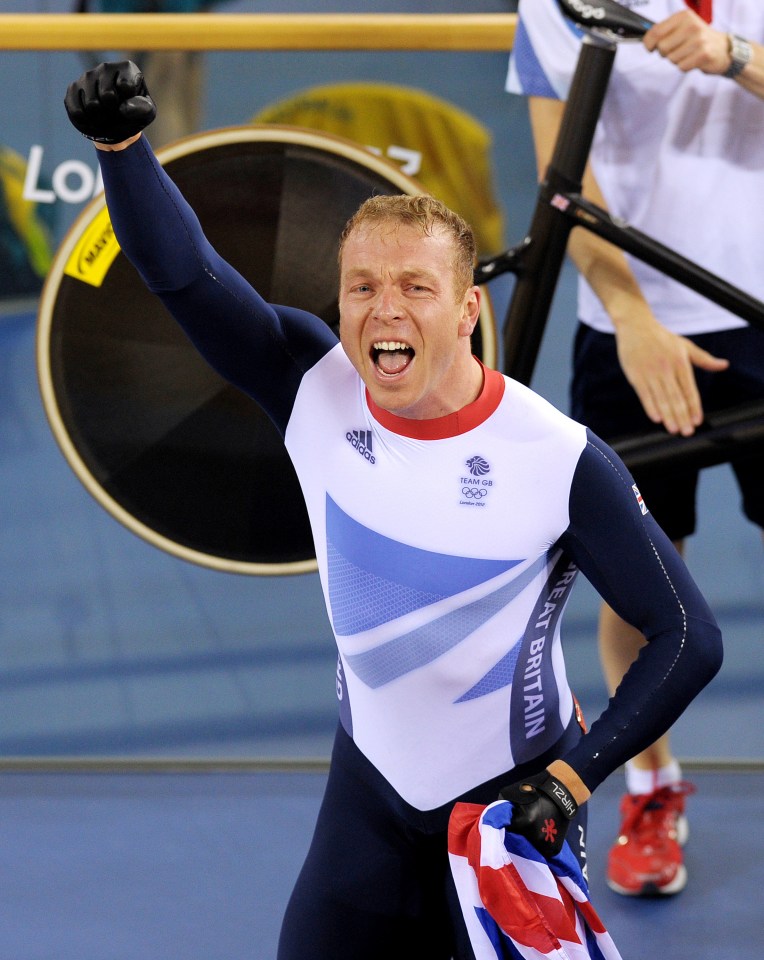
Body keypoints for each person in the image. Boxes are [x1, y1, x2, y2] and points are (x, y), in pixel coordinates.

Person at [64, 60, 723, 959]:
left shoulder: (557, 458)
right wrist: (123, 151)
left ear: (466, 311)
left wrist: (572, 783)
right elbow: (183, 276)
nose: (385, 308)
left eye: (416, 286)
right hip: (368, 796)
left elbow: (686, 636)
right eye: (363, 286)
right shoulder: (309, 381)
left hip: (510, 810)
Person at [507, 0, 764, 898]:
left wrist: (734, 55)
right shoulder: (552, 2)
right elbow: (560, 168)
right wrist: (632, 319)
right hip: (629, 329)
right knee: (642, 578)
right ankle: (650, 785)